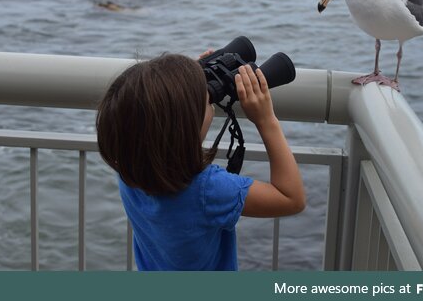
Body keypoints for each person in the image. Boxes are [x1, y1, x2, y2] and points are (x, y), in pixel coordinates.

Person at [96, 53, 305, 271]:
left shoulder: (130, 171)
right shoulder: (208, 190)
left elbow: (150, 123)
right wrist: (266, 119)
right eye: (204, 101)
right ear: (187, 127)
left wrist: (185, 78)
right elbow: (291, 198)